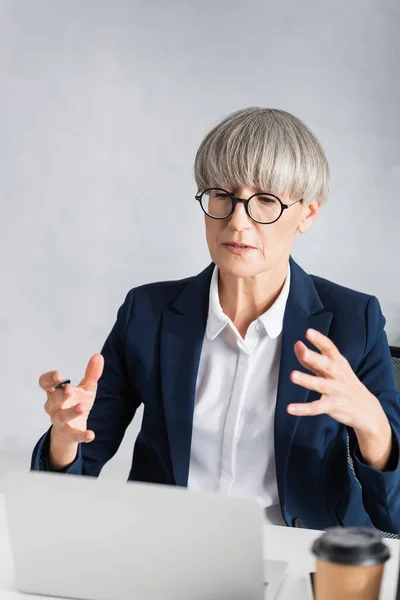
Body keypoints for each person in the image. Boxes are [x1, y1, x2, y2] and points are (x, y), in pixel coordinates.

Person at [31, 107, 400, 533]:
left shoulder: (355, 320)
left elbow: (393, 515)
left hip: (301, 552)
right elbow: (66, 486)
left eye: (266, 200)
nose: (237, 221)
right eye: (222, 195)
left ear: (308, 214)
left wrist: (372, 423)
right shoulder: (147, 314)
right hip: (170, 547)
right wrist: (64, 437)